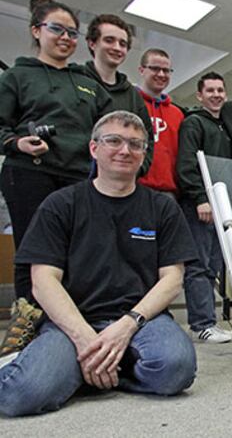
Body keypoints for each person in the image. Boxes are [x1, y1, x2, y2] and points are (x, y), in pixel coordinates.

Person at [0, 110, 197, 416]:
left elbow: (172, 279)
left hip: (141, 320)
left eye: (135, 144)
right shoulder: (61, 205)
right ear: (94, 148)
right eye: (114, 141)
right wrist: (85, 339)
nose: (124, 150)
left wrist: (126, 327)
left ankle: (93, 371)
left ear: (144, 153)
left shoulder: (162, 208)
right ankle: (98, 363)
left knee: (176, 368)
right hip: (71, 321)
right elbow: (43, 281)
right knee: (21, 395)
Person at [0, 0, 112, 356]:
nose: (65, 38)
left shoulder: (86, 83)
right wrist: (17, 143)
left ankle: (69, 321)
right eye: (56, 29)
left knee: (77, 252)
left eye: (72, 33)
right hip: (29, 173)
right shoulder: (17, 76)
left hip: (78, 178)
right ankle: (26, 324)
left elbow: (107, 125)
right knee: (32, 251)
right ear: (37, 31)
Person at [177, 72, 232, 343]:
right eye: (210, 90)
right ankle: (201, 324)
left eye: (220, 90)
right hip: (200, 205)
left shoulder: (224, 126)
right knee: (199, 265)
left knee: (213, 264)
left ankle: (208, 321)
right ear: (200, 95)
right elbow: (187, 165)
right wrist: (200, 198)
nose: (216, 95)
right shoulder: (193, 124)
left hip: (222, 205)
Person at [76, 13, 153, 176]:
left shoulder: (132, 95)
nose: (117, 48)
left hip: (118, 183)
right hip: (74, 178)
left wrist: (138, 169)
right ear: (92, 43)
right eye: (109, 40)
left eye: (123, 44)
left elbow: (147, 138)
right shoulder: (73, 81)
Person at [136, 48, 184, 197]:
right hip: (135, 186)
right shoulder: (130, 102)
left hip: (168, 192)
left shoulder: (178, 114)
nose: (161, 74)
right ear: (142, 70)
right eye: (155, 69)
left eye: (166, 70)